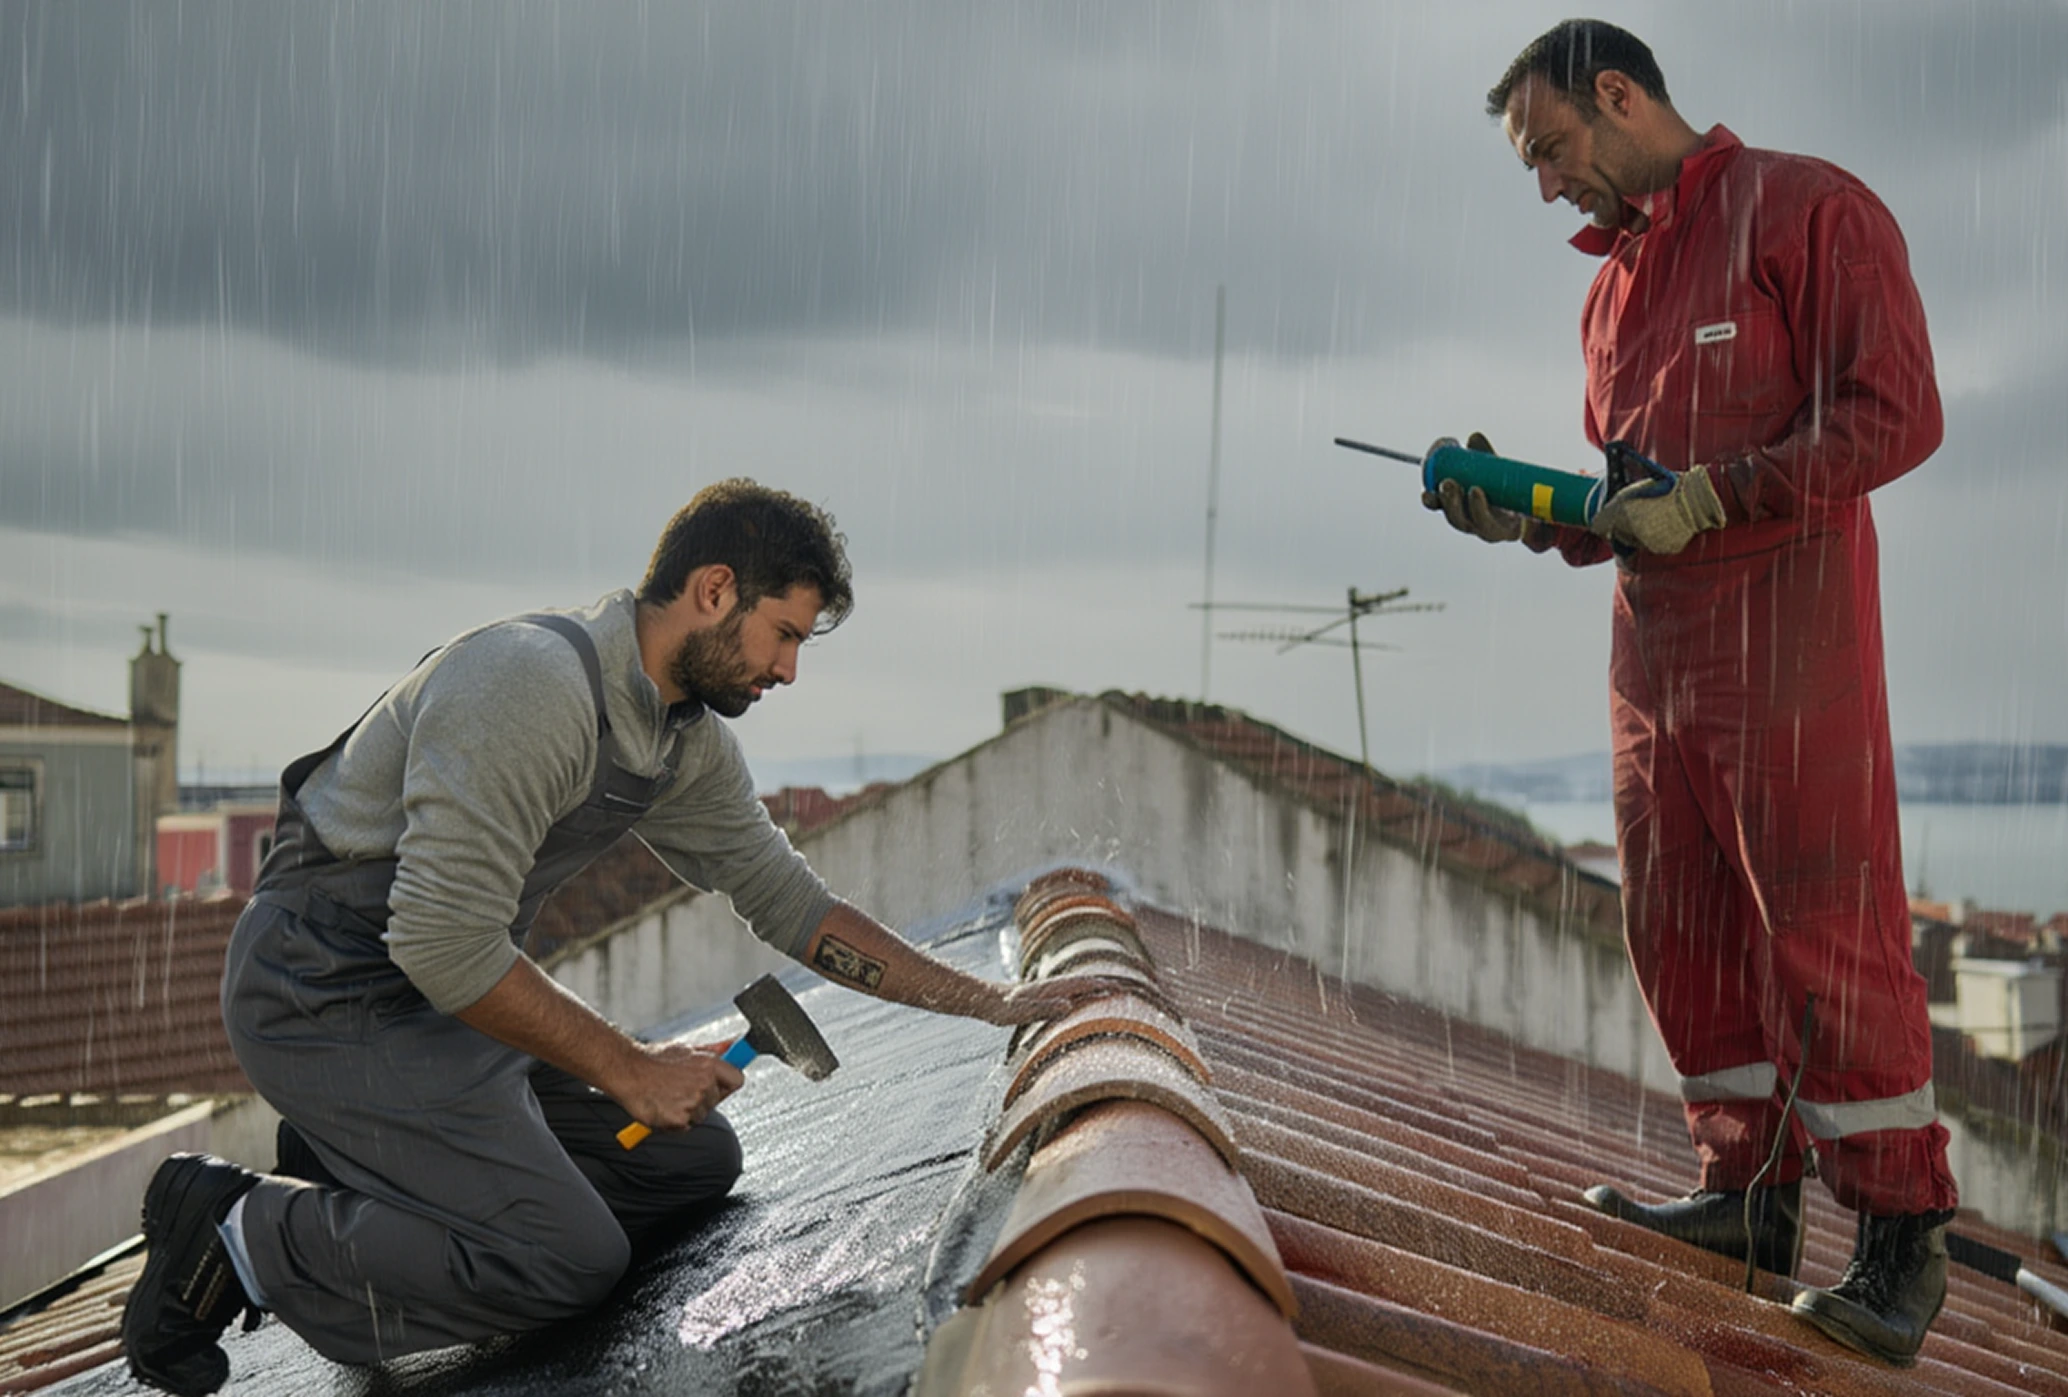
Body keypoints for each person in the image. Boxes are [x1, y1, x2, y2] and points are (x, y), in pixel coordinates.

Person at [121, 479, 1130, 1395]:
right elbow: (439, 941)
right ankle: (237, 1228)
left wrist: (990, 1000)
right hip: (327, 994)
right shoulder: (528, 684)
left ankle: (373, 1167)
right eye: (781, 634)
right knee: (568, 1259)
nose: (787, 669)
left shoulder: (679, 740)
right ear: (712, 588)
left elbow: (795, 907)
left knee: (685, 1167)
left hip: (439, 1003)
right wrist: (627, 1064)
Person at [1428, 21, 1959, 1366]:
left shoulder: (1806, 209)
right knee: (1680, 919)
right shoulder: (1612, 293)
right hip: (1654, 661)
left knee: (1825, 928)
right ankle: (1747, 1197)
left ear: (1618, 97)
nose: (1547, 186)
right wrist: (1529, 514)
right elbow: (1631, 508)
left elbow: (1896, 413)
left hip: (1794, 642)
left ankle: (1904, 1239)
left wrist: (1723, 492)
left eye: (1552, 151)